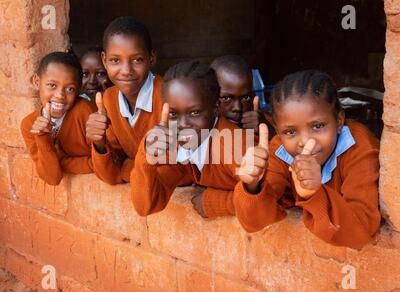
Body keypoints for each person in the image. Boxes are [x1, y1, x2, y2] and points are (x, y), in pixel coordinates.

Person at [234, 70, 381, 249]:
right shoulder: (279, 149)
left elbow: (362, 231)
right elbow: (254, 223)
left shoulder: (358, 147)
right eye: (290, 132)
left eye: (318, 126)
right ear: (278, 130)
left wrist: (314, 195)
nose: (305, 142)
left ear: (340, 121)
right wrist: (252, 187)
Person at [131, 61, 256, 218]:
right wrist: (145, 156)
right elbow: (146, 207)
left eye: (195, 112)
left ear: (216, 108)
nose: (183, 125)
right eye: (173, 114)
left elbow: (271, 199)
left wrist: (216, 202)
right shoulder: (176, 145)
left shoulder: (235, 144)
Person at [86, 16, 163, 185]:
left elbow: (175, 173)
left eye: (137, 60)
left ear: (151, 58)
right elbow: (110, 175)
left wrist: (127, 169)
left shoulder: (169, 98)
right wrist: (99, 143)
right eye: (115, 61)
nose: (126, 71)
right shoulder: (109, 99)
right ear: (104, 61)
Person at [21, 52, 96, 185]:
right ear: (37, 82)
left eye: (70, 89)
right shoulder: (30, 125)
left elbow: (103, 163)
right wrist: (42, 137)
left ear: (78, 90)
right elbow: (52, 177)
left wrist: (61, 161)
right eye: (52, 85)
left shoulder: (84, 111)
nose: (60, 95)